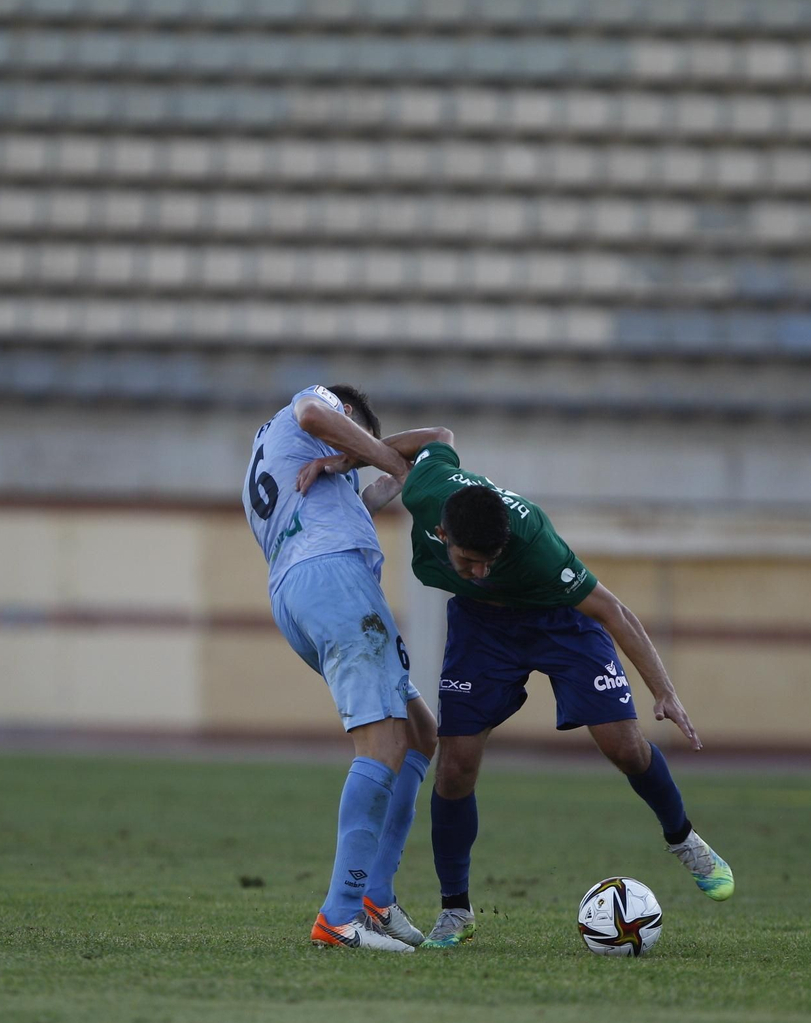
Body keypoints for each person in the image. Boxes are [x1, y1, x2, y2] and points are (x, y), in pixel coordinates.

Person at [302, 433, 733, 951]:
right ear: (441, 533)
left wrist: (664, 692)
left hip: (557, 622)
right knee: (455, 766)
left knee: (624, 746)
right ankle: (455, 910)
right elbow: (436, 439)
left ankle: (684, 839)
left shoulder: (536, 548)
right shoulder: (428, 490)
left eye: (490, 561)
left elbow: (612, 610)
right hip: (482, 632)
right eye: (468, 563)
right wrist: (347, 457)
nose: (481, 571)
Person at [243, 383, 446, 953]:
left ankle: (375, 897)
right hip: (331, 577)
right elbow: (316, 412)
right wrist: (381, 456)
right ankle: (340, 915)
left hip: (300, 590)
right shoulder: (308, 406)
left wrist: (358, 463)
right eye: (355, 432)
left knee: (420, 735)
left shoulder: (287, 462)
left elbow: (430, 444)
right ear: (348, 413)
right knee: (381, 744)